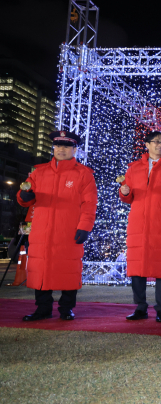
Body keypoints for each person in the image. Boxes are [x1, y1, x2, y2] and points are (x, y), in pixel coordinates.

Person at [16, 130, 97, 321]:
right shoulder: (39, 172)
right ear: (53, 147)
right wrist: (24, 196)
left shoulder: (84, 174)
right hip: (41, 231)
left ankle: (66, 308)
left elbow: (89, 204)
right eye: (58, 145)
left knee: (69, 269)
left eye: (67, 146)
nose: (62, 149)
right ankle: (43, 309)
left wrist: (85, 226)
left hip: (69, 231)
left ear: (74, 150)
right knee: (40, 269)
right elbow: (24, 197)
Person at [119, 131, 161, 323]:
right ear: (146, 145)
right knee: (136, 267)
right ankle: (140, 307)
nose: (159, 145)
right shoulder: (133, 168)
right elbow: (128, 196)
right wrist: (124, 192)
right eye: (155, 142)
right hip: (138, 225)